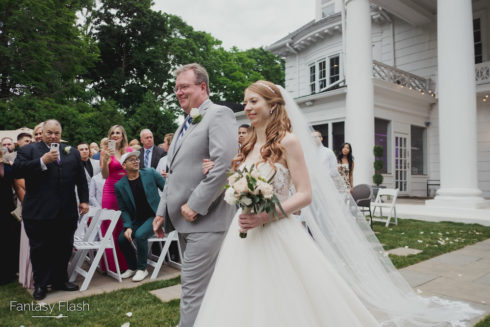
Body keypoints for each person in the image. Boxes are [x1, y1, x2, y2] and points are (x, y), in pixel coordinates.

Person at [195, 81, 481, 326]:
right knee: (240, 295)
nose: (247, 107)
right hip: (244, 235)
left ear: (273, 105)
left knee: (285, 297)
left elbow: (305, 194)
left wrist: (264, 218)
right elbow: (243, 180)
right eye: (245, 102)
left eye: (254, 101)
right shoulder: (247, 144)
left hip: (276, 230)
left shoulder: (288, 141)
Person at [153, 63, 237, 327]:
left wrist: (195, 204)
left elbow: (224, 164)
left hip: (207, 220)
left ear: (202, 87)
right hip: (182, 220)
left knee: (191, 289)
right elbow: (173, 172)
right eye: (176, 88)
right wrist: (161, 211)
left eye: (184, 87)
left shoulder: (219, 114)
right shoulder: (184, 124)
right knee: (203, 287)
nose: (178, 92)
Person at [13, 119, 89, 300]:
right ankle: (41, 285)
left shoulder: (72, 153)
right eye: (49, 132)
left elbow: (81, 179)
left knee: (63, 248)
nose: (53, 136)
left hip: (66, 212)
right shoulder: (28, 150)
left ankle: (60, 280)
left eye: (57, 133)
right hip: (39, 212)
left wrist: (84, 200)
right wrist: (41, 161)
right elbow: (17, 171)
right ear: (42, 132)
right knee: (40, 250)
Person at [115, 151, 165, 282]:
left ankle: (142, 269)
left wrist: (165, 211)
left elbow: (167, 189)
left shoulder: (150, 173)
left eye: (136, 159)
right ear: (124, 166)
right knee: (122, 239)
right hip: (137, 219)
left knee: (140, 235)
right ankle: (132, 267)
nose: (136, 161)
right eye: (131, 160)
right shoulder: (120, 185)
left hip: (155, 216)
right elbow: (124, 209)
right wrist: (128, 226)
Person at [100, 125, 131, 274]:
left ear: (123, 135)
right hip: (110, 192)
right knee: (110, 228)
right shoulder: (105, 152)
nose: (115, 135)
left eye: (118, 133)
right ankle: (111, 266)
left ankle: (127, 264)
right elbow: (104, 175)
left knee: (124, 227)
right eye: (112, 133)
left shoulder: (129, 151)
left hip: (126, 191)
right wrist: (106, 159)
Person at [0, 149, 21, 285]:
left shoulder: (8, 166)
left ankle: (9, 272)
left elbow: (18, 187)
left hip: (7, 207)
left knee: (9, 238)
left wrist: (24, 203)